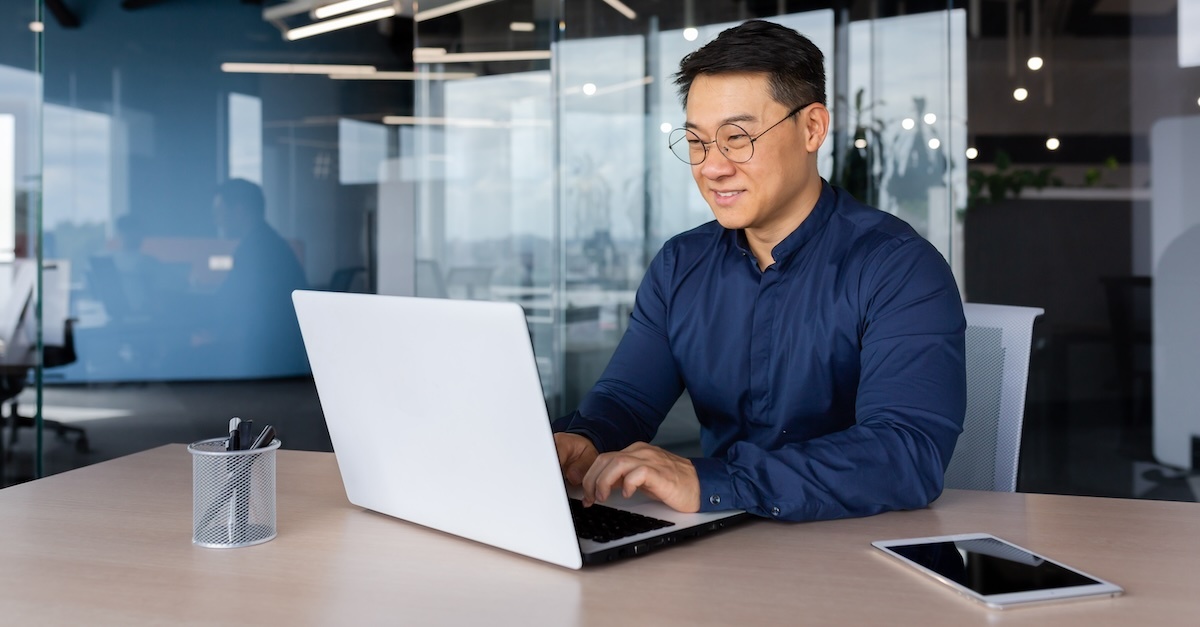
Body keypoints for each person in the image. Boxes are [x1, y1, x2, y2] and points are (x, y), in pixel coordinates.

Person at [552, 20, 966, 522]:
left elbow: (906, 453)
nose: (712, 167)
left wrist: (713, 481)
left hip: (853, 551)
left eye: (737, 138)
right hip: (716, 541)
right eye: (697, 141)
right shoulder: (681, 265)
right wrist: (584, 438)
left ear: (812, 128)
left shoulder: (898, 267)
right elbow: (627, 397)